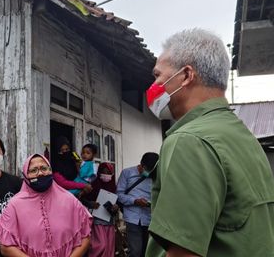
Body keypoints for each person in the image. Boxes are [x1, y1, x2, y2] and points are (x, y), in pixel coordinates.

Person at [144, 29, 274, 257]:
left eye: (158, 75)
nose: (154, 84)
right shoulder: (242, 137)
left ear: (186, 76)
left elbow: (182, 253)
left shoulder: (189, 141)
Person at [0, 154, 92, 257]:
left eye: (44, 168)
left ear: (51, 171)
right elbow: (5, 247)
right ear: (25, 175)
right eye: (33, 170)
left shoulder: (70, 200)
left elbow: (85, 237)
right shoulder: (14, 205)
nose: (40, 173)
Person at [116, 152, 159, 257]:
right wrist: (135, 201)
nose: (148, 173)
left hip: (150, 218)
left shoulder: (156, 176)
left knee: (148, 252)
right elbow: (119, 195)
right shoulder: (127, 173)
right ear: (142, 165)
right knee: (135, 252)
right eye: (147, 169)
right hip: (133, 218)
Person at [83, 162, 119, 257]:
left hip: (109, 221)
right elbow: (82, 198)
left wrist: (116, 207)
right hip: (97, 221)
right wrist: (91, 203)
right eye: (104, 172)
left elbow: (117, 203)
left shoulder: (114, 187)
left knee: (109, 248)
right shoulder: (93, 185)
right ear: (99, 172)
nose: (106, 174)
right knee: (100, 246)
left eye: (109, 172)